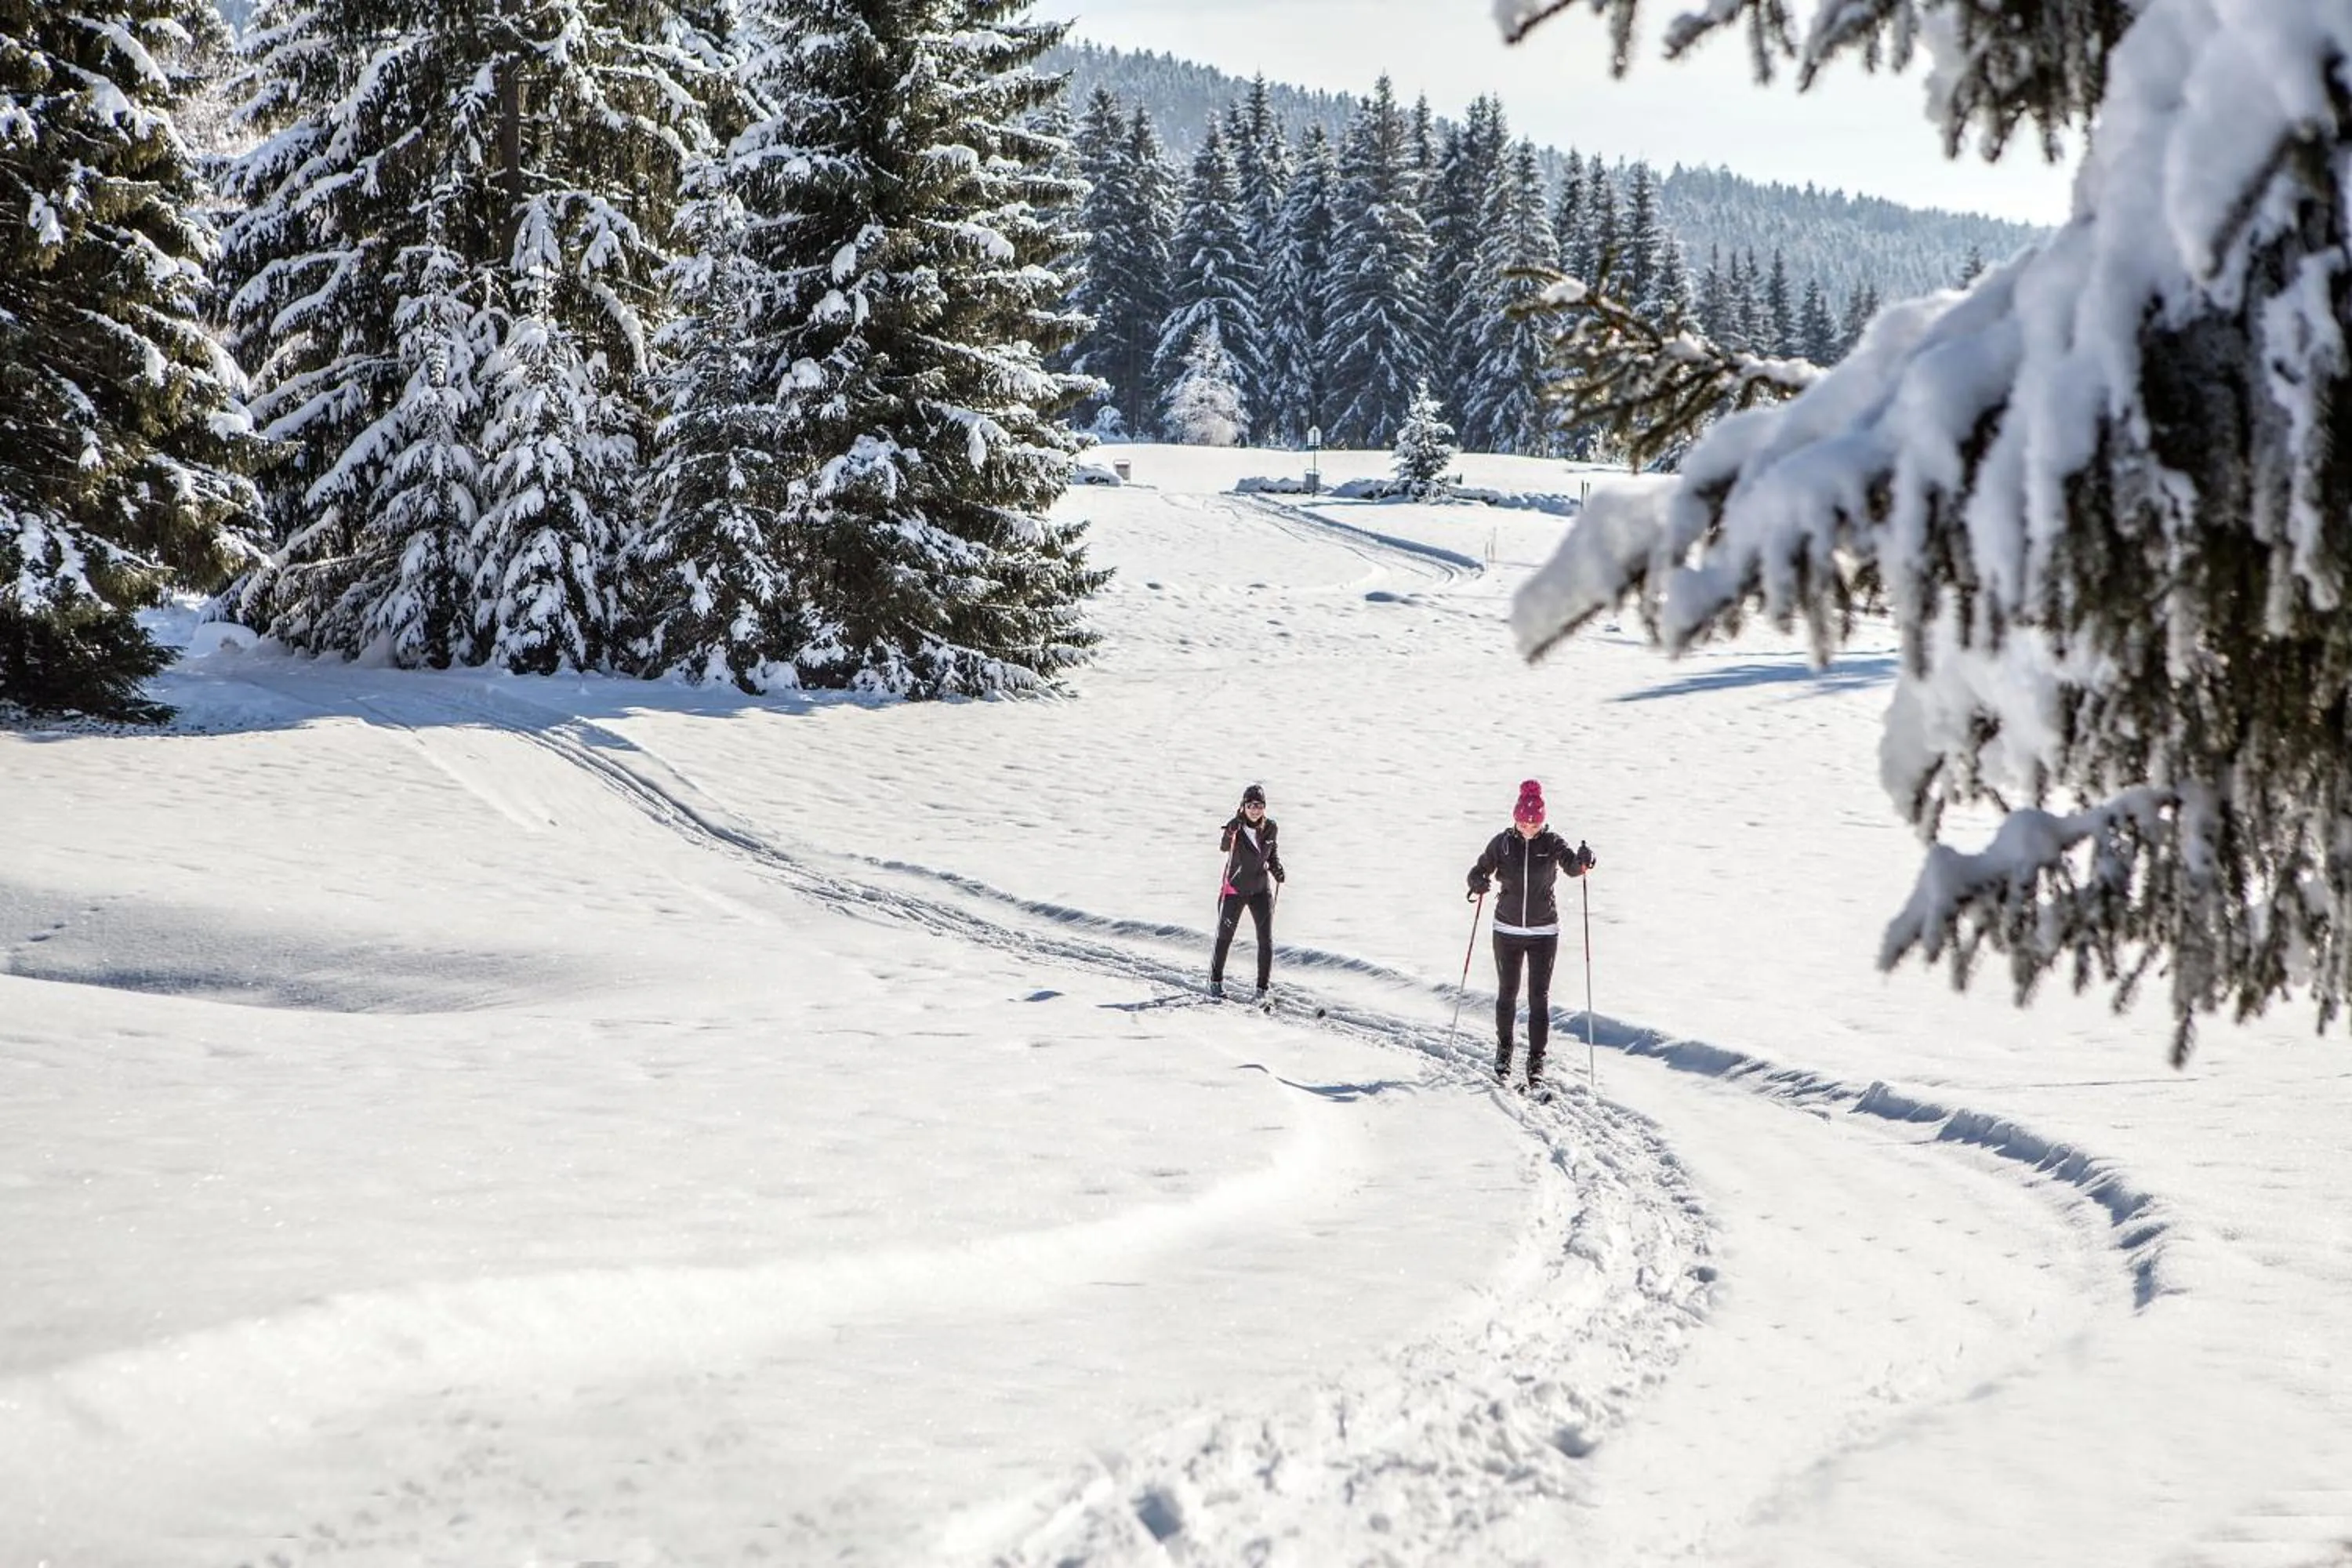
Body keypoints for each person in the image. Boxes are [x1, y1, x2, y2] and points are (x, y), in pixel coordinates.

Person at [1466, 779, 1596, 1088]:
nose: (1528, 826)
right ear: (1515, 817)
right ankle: (1504, 1052)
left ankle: (1536, 1059)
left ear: (1542, 820)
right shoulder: (1502, 843)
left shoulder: (1552, 842)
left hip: (1543, 932)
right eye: (1524, 820)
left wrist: (1584, 861)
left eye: (1534, 821)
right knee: (1506, 995)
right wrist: (1477, 882)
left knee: (1539, 998)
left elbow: (1573, 867)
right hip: (1506, 930)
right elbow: (1478, 870)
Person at [1210, 782, 1286, 1000]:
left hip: (1261, 891)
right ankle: (1216, 981)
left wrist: (1277, 870)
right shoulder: (1235, 828)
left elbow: (1271, 855)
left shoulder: (1271, 827)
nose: (1255, 809)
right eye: (1251, 805)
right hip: (1235, 890)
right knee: (1225, 936)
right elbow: (1225, 847)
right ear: (1243, 806)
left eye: (1260, 805)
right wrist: (1231, 831)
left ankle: (1262, 988)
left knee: (1266, 940)